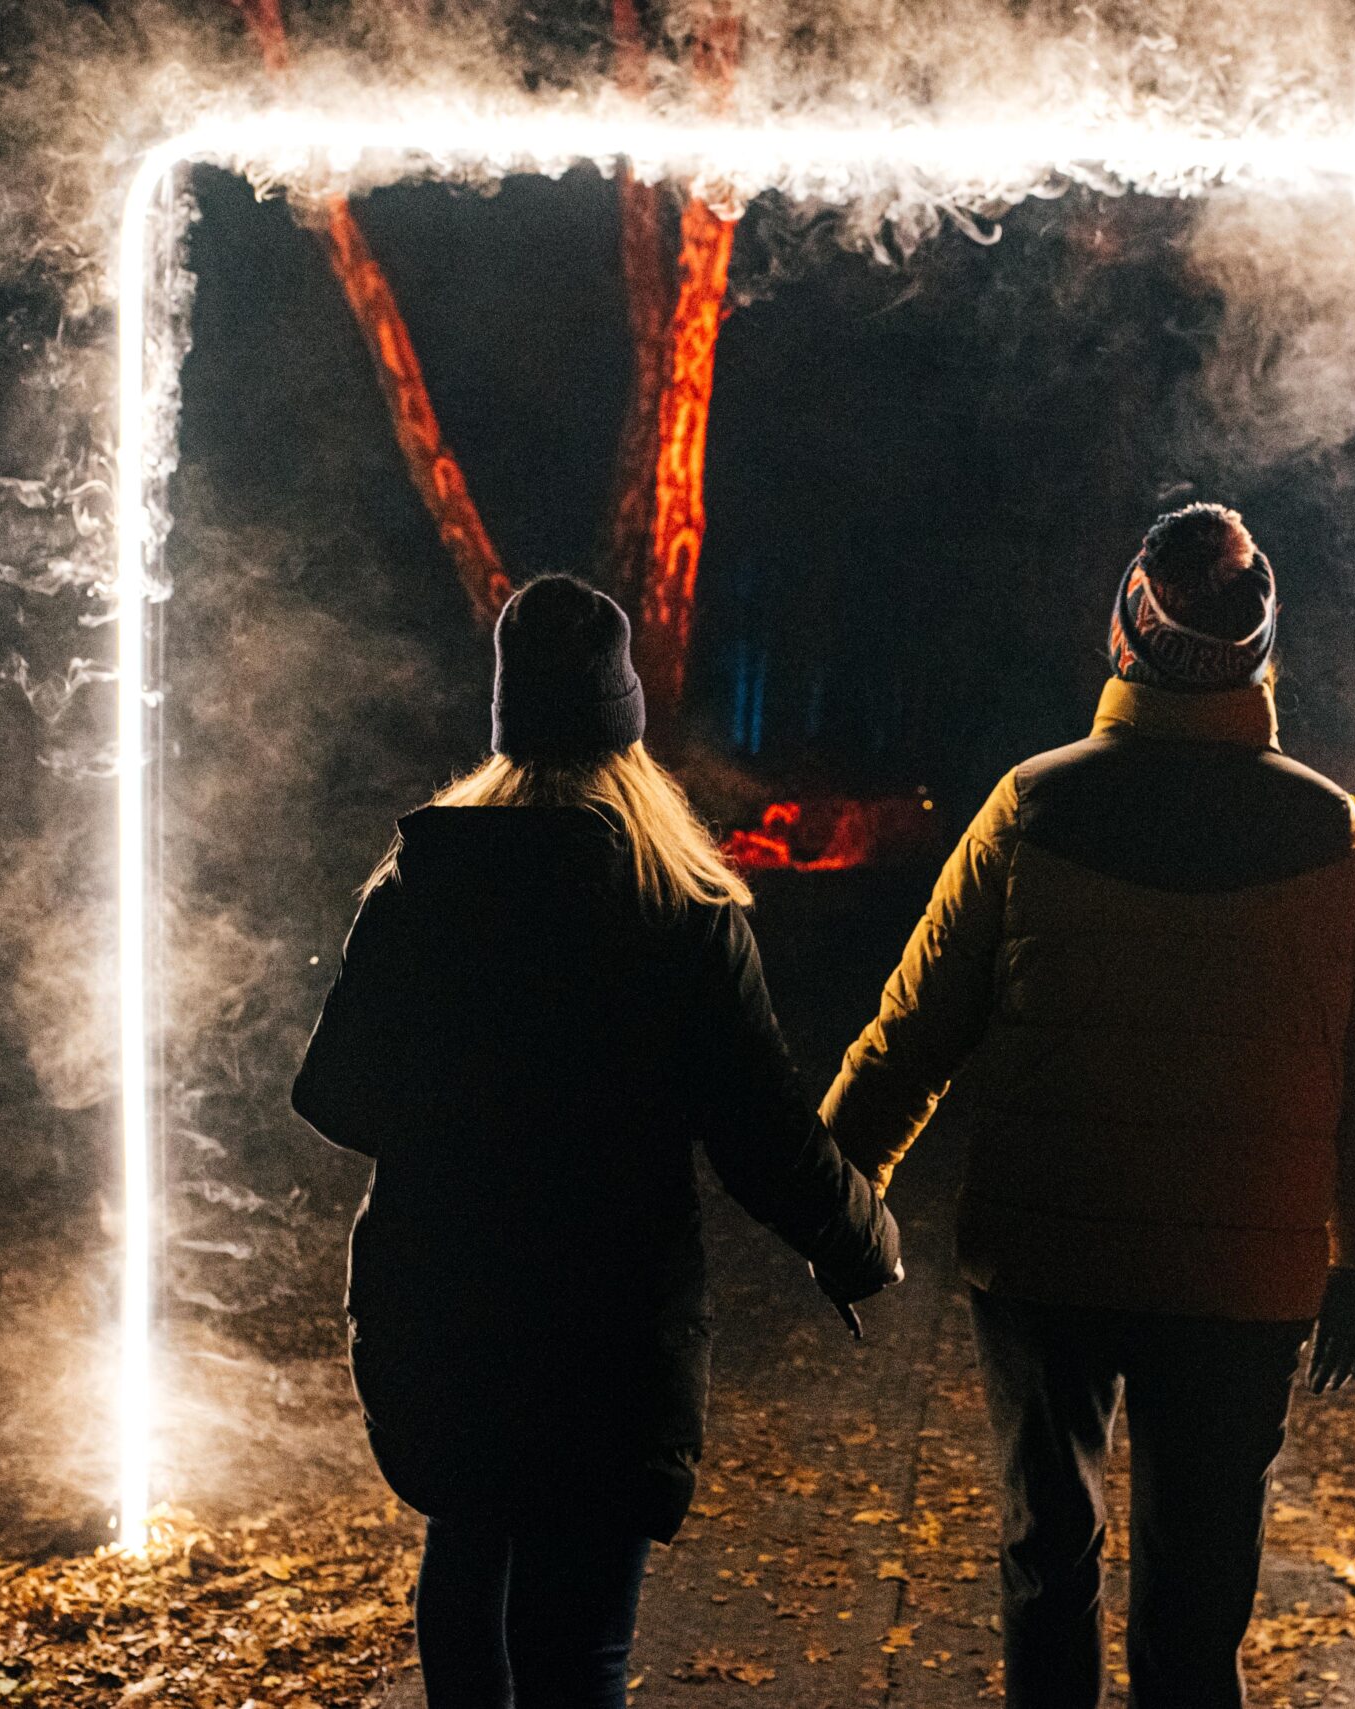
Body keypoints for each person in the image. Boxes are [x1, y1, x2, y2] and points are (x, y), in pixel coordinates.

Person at [820, 504, 1355, 1709]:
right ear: (1259, 649)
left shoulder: (1031, 806)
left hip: (1050, 1254)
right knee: (1198, 1597)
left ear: (1124, 634)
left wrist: (834, 1197)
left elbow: (915, 1027)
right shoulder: (1328, 831)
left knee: (1049, 1556)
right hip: (1242, 1278)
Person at [292, 575, 901, 1709]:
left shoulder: (420, 885)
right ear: (624, 726)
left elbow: (333, 1092)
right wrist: (856, 1236)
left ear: (506, 720)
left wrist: (457, 1134)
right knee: (578, 1649)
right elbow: (761, 1131)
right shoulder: (679, 910)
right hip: (607, 1321)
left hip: (442, 1298)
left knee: (468, 1556)